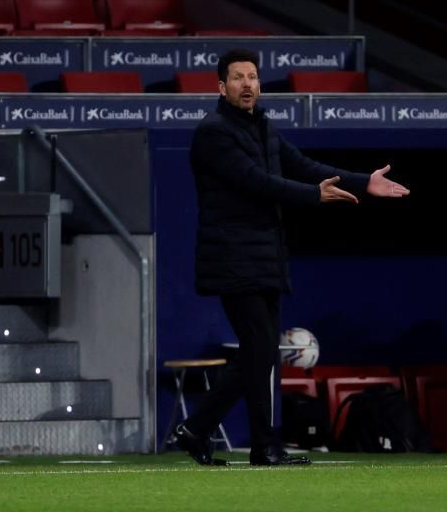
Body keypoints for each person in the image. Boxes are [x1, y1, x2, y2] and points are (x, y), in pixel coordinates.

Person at [174, 48, 410, 466]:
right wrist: (313, 196)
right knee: (261, 349)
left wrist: (363, 181)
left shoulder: (263, 127)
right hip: (232, 257)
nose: (248, 84)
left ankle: (237, 440)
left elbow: (301, 164)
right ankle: (213, 432)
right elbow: (256, 183)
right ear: (221, 87)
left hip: (267, 256)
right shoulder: (213, 133)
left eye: (253, 77)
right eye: (238, 78)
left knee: (260, 352)